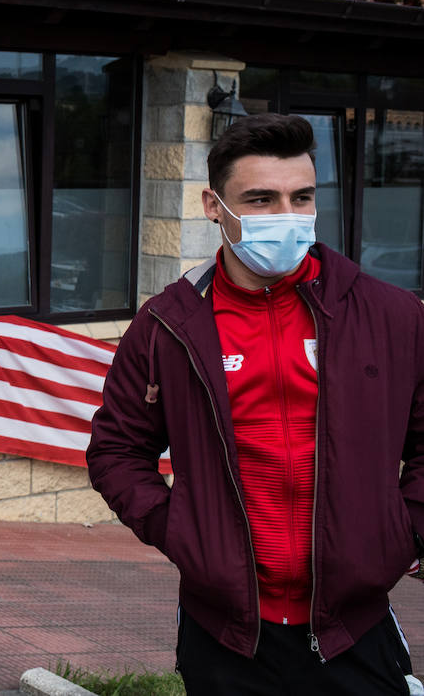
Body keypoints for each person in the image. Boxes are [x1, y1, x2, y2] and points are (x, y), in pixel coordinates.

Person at [88, 113, 424, 696]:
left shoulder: (392, 315)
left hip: (354, 628)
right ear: (213, 205)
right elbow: (117, 450)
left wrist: (405, 532)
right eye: (262, 199)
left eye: (302, 197)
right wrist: (181, 532)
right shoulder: (167, 324)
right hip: (226, 635)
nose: (287, 217)